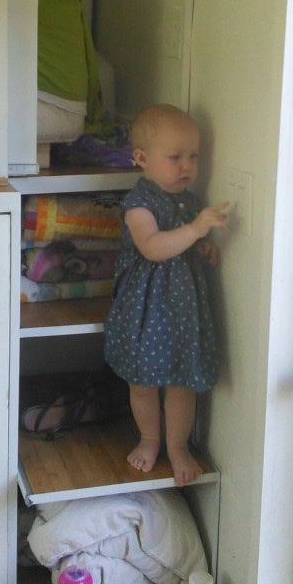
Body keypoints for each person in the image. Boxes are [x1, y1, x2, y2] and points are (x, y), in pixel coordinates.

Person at [104, 103, 229, 486]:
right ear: (142, 159)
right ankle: (149, 439)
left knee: (181, 382)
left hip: (181, 308)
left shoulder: (188, 200)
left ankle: (177, 446)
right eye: (174, 157)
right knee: (142, 382)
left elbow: (182, 246)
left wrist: (200, 248)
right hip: (145, 309)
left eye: (193, 156)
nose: (186, 166)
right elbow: (153, 247)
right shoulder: (138, 205)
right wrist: (194, 231)